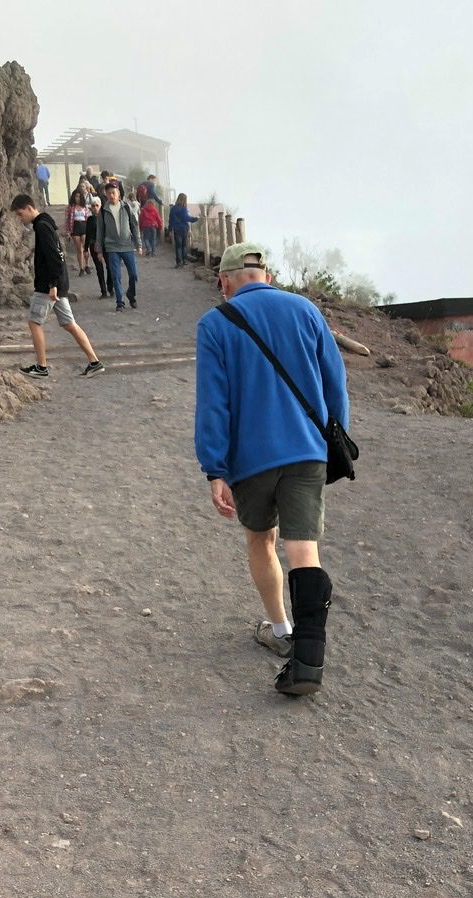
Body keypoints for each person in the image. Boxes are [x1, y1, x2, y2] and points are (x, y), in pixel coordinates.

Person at [194, 243, 348, 697]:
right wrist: (331, 440)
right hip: (307, 450)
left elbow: (214, 403)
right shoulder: (305, 310)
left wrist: (215, 469)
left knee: (261, 539)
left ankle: (281, 629)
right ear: (267, 276)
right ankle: (309, 658)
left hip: (251, 459)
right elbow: (335, 384)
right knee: (304, 548)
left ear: (224, 281)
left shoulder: (215, 324)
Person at [9, 193, 104, 379]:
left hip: (48, 285)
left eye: (20, 214)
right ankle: (94, 362)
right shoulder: (46, 223)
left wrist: (52, 284)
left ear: (29, 208)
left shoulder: (42, 226)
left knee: (34, 322)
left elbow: (54, 256)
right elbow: (58, 255)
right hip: (59, 283)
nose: (20, 219)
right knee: (69, 324)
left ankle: (41, 367)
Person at [97, 182, 140, 312]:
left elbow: (134, 226)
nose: (111, 195)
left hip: (127, 245)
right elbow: (100, 231)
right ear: (106, 194)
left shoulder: (126, 207)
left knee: (134, 274)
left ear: (118, 193)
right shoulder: (103, 211)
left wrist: (138, 244)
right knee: (116, 276)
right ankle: (120, 302)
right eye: (109, 193)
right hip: (112, 248)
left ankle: (131, 294)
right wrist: (99, 251)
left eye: (113, 192)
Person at [85, 196, 113, 297]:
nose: (95, 208)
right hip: (94, 245)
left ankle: (110, 287)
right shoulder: (90, 219)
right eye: (93, 206)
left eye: (97, 205)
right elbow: (88, 234)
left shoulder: (105, 217)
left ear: (100, 206)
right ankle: (103, 291)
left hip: (106, 245)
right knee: (99, 268)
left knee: (110, 267)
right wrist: (85, 249)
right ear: (91, 208)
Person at [168, 193, 199, 267]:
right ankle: (184, 261)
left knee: (178, 246)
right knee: (184, 246)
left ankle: (179, 262)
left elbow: (171, 220)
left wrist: (170, 230)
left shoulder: (173, 208)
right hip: (184, 229)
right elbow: (187, 218)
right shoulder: (184, 209)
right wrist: (195, 219)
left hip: (176, 229)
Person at [65, 187, 90, 274]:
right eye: (76, 196)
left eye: (79, 197)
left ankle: (87, 265)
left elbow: (88, 218)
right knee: (79, 249)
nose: (78, 198)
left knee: (86, 247)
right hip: (75, 227)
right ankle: (81, 268)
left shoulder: (85, 207)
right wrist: (68, 232)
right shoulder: (70, 208)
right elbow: (67, 220)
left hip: (84, 226)